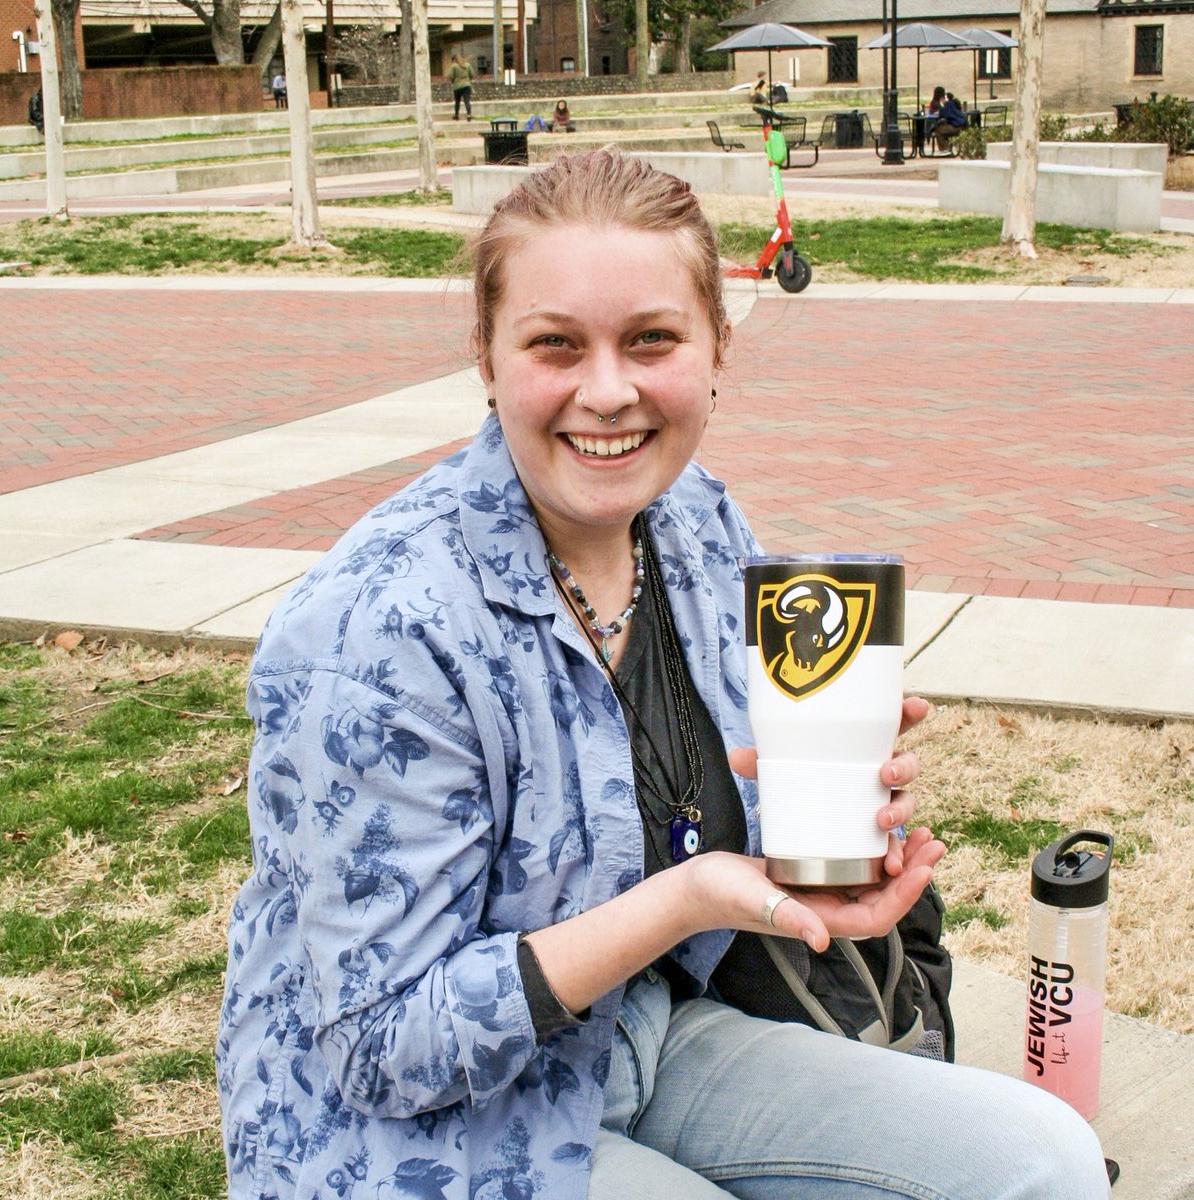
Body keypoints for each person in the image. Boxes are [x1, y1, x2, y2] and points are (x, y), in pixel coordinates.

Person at [216, 150, 1113, 1200]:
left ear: (718, 348)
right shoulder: (376, 631)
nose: (609, 391)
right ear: (487, 358)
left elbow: (690, 809)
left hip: (644, 1033)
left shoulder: (694, 524)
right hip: (414, 1131)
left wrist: (820, 837)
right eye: (556, 345)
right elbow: (382, 1049)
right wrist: (686, 903)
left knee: (1036, 1164)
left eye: (651, 339)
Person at [448, 51, 475, 121]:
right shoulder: (467, 65)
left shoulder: (453, 66)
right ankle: (469, 115)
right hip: (467, 85)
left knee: (457, 101)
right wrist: (467, 80)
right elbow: (472, 75)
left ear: (454, 60)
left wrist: (453, 81)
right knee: (467, 101)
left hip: (457, 86)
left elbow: (450, 76)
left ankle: (456, 115)